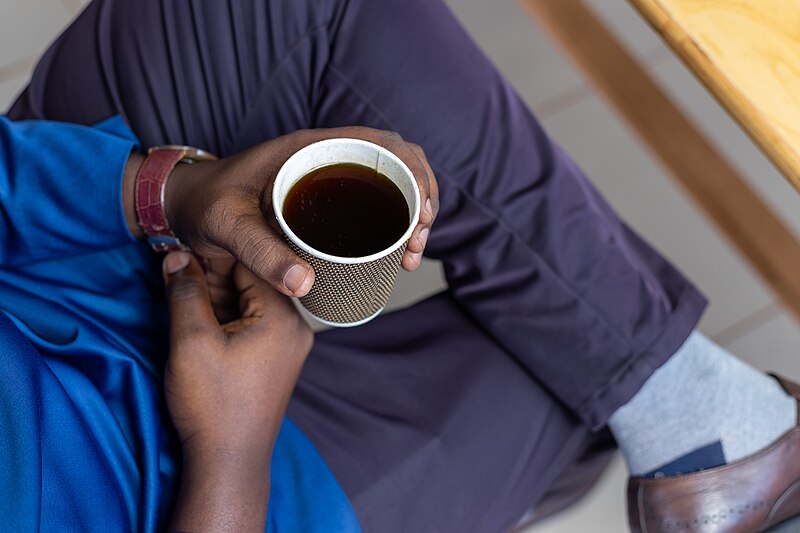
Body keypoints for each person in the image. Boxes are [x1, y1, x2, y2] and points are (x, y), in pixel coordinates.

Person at [1, 1, 799, 531]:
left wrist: (163, 187)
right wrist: (231, 455)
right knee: (571, 376)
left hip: (42, 248)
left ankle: (691, 428)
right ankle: (693, 437)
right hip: (182, 493)